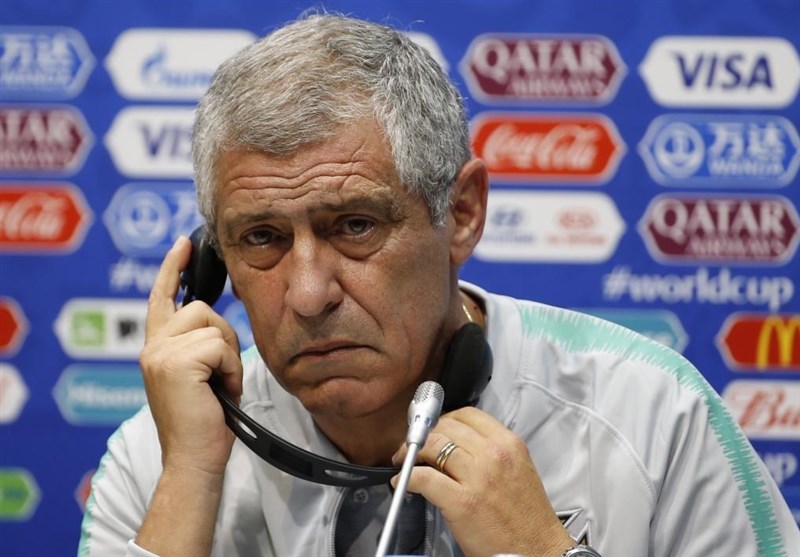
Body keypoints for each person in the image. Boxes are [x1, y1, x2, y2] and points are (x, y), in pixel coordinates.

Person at [79, 13, 799, 557]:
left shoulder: (654, 418)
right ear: (213, 263)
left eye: (355, 225)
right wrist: (191, 478)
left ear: (461, 213)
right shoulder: (161, 456)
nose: (307, 294)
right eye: (262, 237)